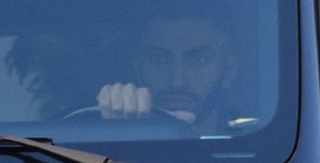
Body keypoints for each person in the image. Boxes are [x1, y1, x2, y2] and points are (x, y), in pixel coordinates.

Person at [86, 13, 257, 135]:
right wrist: (117, 129)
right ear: (138, 68)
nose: (177, 81)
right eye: (159, 59)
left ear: (228, 71)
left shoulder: (256, 147)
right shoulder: (95, 140)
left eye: (197, 59)